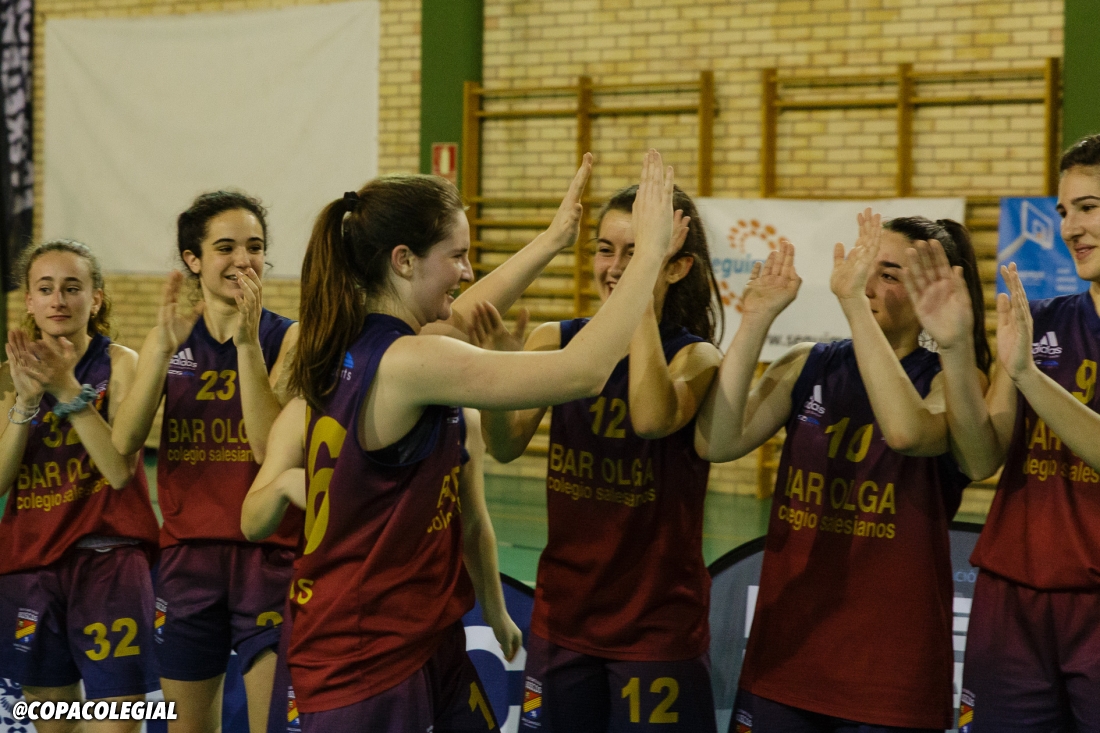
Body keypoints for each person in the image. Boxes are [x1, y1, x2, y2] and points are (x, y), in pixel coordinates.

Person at [246, 150, 681, 731]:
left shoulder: (353, 341)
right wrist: (648, 255)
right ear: (404, 261)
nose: (469, 272)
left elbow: (467, 311)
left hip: (417, 636)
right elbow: (583, 371)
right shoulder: (412, 362)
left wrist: (554, 239)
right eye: (457, 256)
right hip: (366, 658)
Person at [696, 210, 990, 732]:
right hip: (783, 657)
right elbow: (717, 442)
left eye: (889, 275)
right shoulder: (807, 364)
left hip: (886, 673)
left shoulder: (951, 381)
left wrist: (854, 305)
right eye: (864, 267)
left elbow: (907, 432)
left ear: (930, 295)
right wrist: (756, 319)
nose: (866, 284)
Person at [474, 183, 723, 732]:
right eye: (606, 250)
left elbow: (651, 418)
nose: (615, 267)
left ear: (676, 266)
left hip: (655, 628)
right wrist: (497, 379)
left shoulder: (696, 357)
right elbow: (505, 446)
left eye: (637, 251)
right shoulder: (557, 340)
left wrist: (638, 294)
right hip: (564, 618)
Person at [112, 191, 299, 733]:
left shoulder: (290, 337)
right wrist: (160, 352)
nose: (243, 259)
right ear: (193, 259)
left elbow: (267, 449)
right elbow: (125, 443)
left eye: (255, 247)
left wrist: (247, 345)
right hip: (187, 560)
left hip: (268, 557)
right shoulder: (169, 339)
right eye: (226, 247)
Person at [952, 135, 1100, 732]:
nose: (1069, 228)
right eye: (1063, 211)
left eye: (1088, 207)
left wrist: (1029, 378)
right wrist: (957, 349)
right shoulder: (1040, 322)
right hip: (1012, 595)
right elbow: (980, 459)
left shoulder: (1030, 357)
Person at [0, 240, 160, 733]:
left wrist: (67, 390)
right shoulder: (8, 375)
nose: (59, 300)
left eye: (72, 288)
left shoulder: (121, 363)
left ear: (96, 299)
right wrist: (26, 403)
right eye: (45, 289)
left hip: (110, 562)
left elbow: (118, 470)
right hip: (31, 567)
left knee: (117, 721)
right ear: (29, 301)